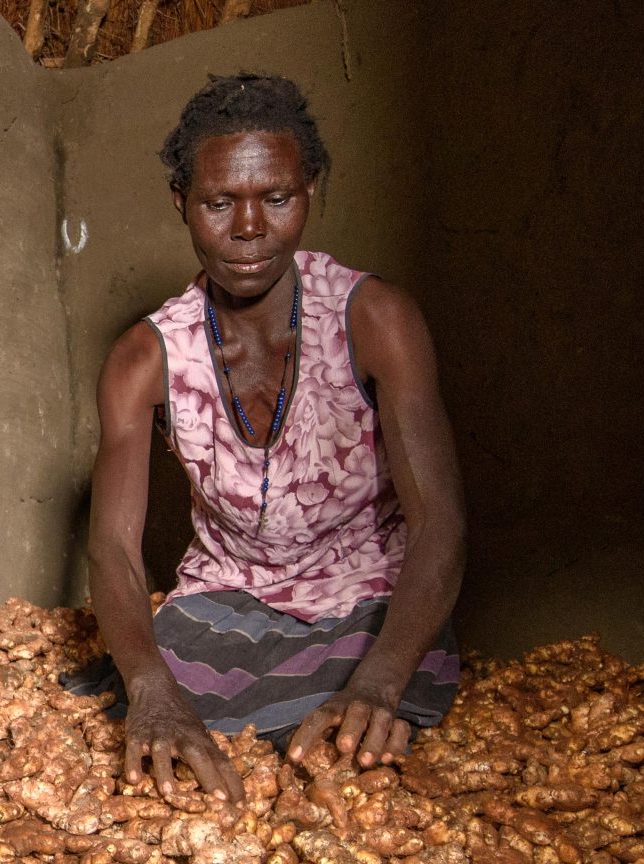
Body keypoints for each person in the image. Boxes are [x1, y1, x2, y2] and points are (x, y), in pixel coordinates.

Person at [79, 73, 467, 805]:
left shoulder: (377, 321)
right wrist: (153, 685)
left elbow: (439, 521)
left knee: (355, 740)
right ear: (182, 205)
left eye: (277, 198)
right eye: (219, 202)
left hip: (366, 598)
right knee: (153, 710)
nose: (250, 229)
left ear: (311, 189)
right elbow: (112, 548)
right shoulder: (144, 359)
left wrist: (382, 681)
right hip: (225, 600)